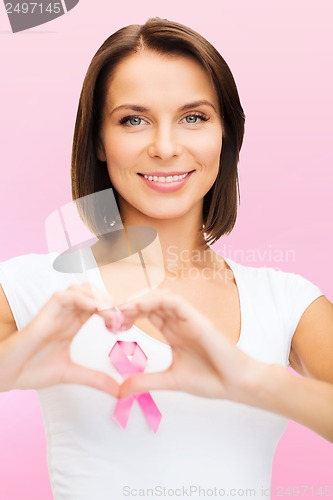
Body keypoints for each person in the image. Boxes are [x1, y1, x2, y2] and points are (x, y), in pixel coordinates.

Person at [0, 17, 332, 500]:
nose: (165, 147)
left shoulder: (285, 300)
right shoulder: (31, 285)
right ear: (98, 140)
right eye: (133, 120)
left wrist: (252, 381)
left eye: (193, 117)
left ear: (226, 135)